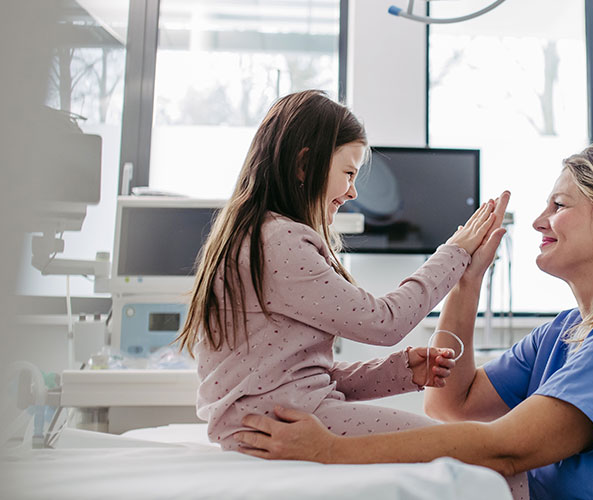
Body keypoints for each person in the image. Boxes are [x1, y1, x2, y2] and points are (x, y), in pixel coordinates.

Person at [234, 144, 593, 500]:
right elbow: (450, 403)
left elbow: (506, 447)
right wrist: (466, 283)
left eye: (560, 205)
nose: (540, 220)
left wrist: (332, 452)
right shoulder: (565, 332)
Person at [173, 90, 516, 486]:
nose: (353, 192)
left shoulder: (251, 235)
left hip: (276, 418)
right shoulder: (279, 241)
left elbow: (301, 377)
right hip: (288, 423)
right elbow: (384, 323)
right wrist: (454, 252)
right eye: (349, 173)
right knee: (482, 459)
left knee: (471, 449)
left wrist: (400, 371)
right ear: (305, 165)